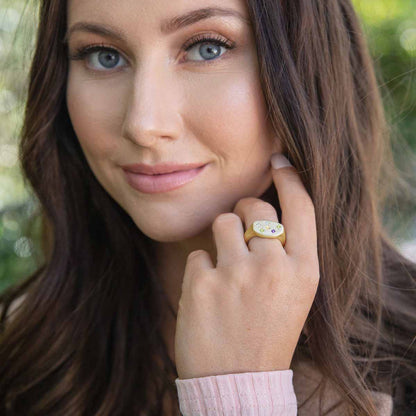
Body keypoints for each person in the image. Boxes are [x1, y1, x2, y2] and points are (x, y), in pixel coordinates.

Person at [0, 0, 415, 414]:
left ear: (307, 66)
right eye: (104, 56)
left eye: (206, 48)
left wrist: (239, 394)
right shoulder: (20, 348)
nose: (143, 124)